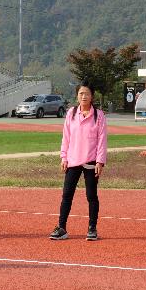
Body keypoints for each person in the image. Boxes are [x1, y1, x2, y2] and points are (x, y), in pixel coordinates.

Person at [49, 82, 108, 241]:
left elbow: (102, 139)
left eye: (87, 94)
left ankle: (92, 228)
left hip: (91, 161)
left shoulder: (98, 115)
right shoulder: (71, 113)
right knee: (67, 194)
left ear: (92, 97)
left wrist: (100, 161)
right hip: (73, 160)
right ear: (77, 95)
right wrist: (64, 157)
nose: (84, 96)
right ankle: (62, 228)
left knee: (91, 195)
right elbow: (66, 137)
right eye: (81, 93)